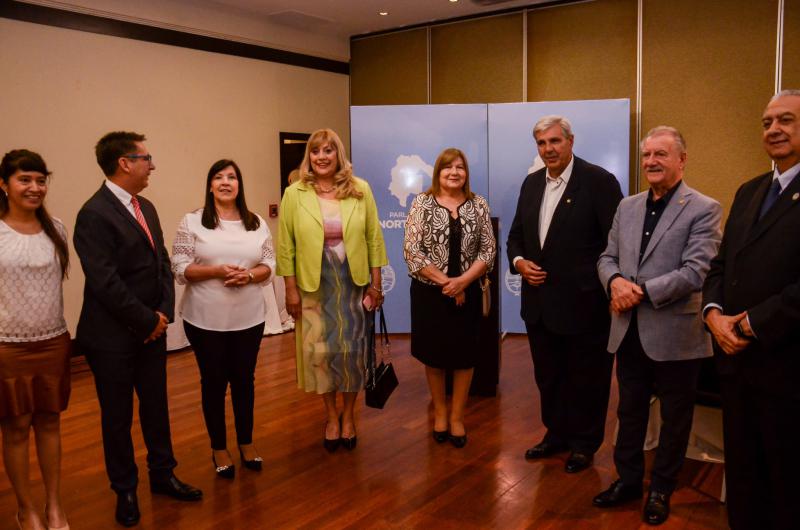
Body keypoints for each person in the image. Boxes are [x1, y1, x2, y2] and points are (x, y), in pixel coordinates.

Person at [73, 132, 201, 527]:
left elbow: (161, 261)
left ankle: (163, 474)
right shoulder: (93, 213)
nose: (153, 165)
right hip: (111, 336)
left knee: (156, 408)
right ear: (124, 162)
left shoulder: (145, 205)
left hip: (152, 329)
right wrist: (146, 320)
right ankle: (124, 489)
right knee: (117, 416)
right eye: (146, 158)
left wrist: (162, 313)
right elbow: (104, 281)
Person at [595, 127, 722, 525]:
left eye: (661, 154)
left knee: (675, 418)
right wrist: (614, 282)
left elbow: (696, 270)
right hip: (628, 329)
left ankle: (662, 489)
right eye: (647, 154)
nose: (651, 161)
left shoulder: (704, 208)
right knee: (629, 412)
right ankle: (628, 481)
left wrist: (640, 292)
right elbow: (606, 257)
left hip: (677, 334)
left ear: (681, 160)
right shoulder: (627, 207)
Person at [702, 89, 800, 530]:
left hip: (787, 367)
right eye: (767, 122)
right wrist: (713, 314)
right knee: (743, 477)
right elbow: (721, 265)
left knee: (786, 484)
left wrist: (753, 323)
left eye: (787, 120)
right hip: (735, 365)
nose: (774, 129)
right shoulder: (748, 191)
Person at [507, 115, 622, 473]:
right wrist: (519, 261)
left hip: (585, 304)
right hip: (539, 305)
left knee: (587, 378)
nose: (548, 149)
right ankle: (556, 434)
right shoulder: (530, 184)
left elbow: (615, 244)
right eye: (541, 143)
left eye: (555, 141)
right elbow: (515, 236)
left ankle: (585, 444)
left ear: (570, 141)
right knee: (549, 375)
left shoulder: (599, 182)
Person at [276, 128, 387, 453]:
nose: (322, 157)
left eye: (328, 150)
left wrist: (376, 284)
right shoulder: (294, 193)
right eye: (315, 151)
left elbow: (373, 239)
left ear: (338, 155)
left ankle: (350, 416)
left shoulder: (360, 190)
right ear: (309, 156)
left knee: (352, 356)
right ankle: (330, 417)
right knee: (321, 355)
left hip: (353, 287)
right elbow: (286, 246)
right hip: (314, 287)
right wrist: (290, 289)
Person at [171, 159, 275, 478]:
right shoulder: (192, 222)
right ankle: (219, 447)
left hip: (249, 318)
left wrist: (250, 275)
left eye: (232, 177)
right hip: (205, 320)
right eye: (219, 177)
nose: (226, 182)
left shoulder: (256, 222)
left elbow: (270, 263)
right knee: (214, 383)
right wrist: (216, 271)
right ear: (210, 185)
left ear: (239, 185)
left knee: (244, 382)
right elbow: (179, 267)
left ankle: (246, 442)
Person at [403, 148, 496, 448]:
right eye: (447, 168)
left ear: (466, 173)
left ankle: (457, 417)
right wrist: (447, 283)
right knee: (435, 357)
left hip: (467, 294)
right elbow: (411, 251)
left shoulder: (478, 204)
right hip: (430, 294)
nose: (454, 172)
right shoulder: (422, 203)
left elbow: (488, 251)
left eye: (460, 167)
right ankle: (440, 414)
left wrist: (463, 282)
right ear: (438, 173)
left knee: (465, 357)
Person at [0, 150, 71, 530]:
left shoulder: (56, 228)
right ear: (4, 184)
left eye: (40, 180)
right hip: (7, 345)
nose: (34, 187)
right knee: (14, 427)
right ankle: (26, 509)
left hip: (53, 341)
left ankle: (54, 505)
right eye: (24, 179)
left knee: (49, 423)